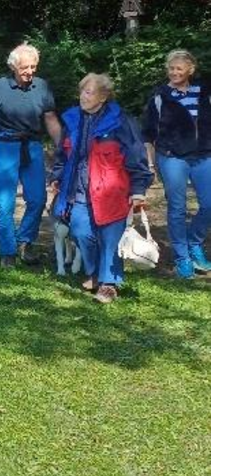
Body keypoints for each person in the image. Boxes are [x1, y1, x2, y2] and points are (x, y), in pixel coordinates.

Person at [51, 72, 149, 303]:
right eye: (82, 92)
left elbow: (136, 155)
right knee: (79, 230)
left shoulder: (121, 121)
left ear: (103, 97)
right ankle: (95, 271)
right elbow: (63, 153)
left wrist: (138, 189)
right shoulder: (73, 119)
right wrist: (56, 176)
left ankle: (108, 283)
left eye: (89, 92)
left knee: (110, 238)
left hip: (112, 190)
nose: (83, 97)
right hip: (79, 189)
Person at [0, 43, 63, 267]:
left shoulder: (41, 86)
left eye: (33, 67)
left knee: (38, 198)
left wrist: (63, 146)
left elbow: (50, 118)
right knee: (4, 201)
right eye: (25, 67)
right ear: (13, 67)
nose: (29, 72)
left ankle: (25, 241)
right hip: (4, 145)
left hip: (32, 145)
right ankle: (7, 251)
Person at [141, 49, 211, 278]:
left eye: (179, 68)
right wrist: (150, 164)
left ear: (190, 69)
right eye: (171, 68)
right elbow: (148, 133)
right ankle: (182, 258)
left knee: (210, 204)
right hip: (172, 158)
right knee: (177, 209)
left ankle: (194, 243)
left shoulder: (205, 91)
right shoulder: (160, 96)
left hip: (204, 156)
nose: (174, 72)